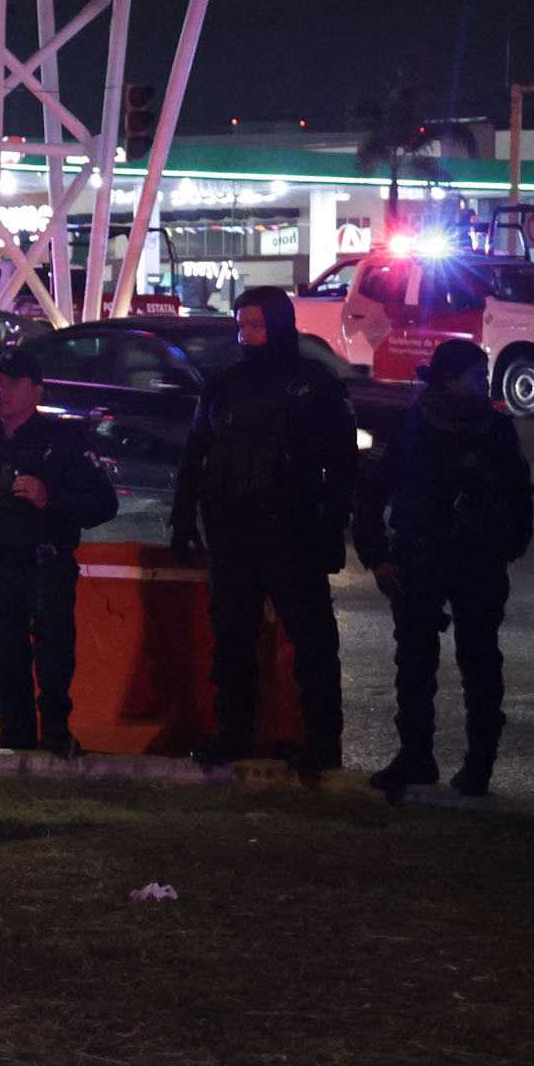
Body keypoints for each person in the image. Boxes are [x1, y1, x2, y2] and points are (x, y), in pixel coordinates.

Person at [170, 285, 357, 774]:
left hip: (292, 532)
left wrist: (332, 529)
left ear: (277, 324)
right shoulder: (224, 383)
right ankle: (231, 737)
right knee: (231, 643)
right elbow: (194, 454)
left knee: (313, 645)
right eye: (240, 326)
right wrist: (182, 517)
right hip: (232, 534)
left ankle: (322, 742)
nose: (246, 336)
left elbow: (342, 466)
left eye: (255, 326)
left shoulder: (314, 383)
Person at [353, 337, 532, 798]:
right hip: (420, 556)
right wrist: (378, 557)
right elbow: (370, 495)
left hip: (477, 561)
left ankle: (479, 764)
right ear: (452, 381)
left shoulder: (495, 430)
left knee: (480, 663)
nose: (486, 384)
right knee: (414, 662)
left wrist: (506, 545)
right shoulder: (409, 425)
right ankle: (416, 756)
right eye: (478, 376)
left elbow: (518, 492)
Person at [0, 348, 118, 757]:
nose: (0, 391)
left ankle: (57, 735)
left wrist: (49, 498)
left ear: (35, 390)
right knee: (6, 664)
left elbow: (102, 505)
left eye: (11, 383)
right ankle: (16, 746)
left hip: (45, 565)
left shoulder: (63, 442)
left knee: (54, 655)